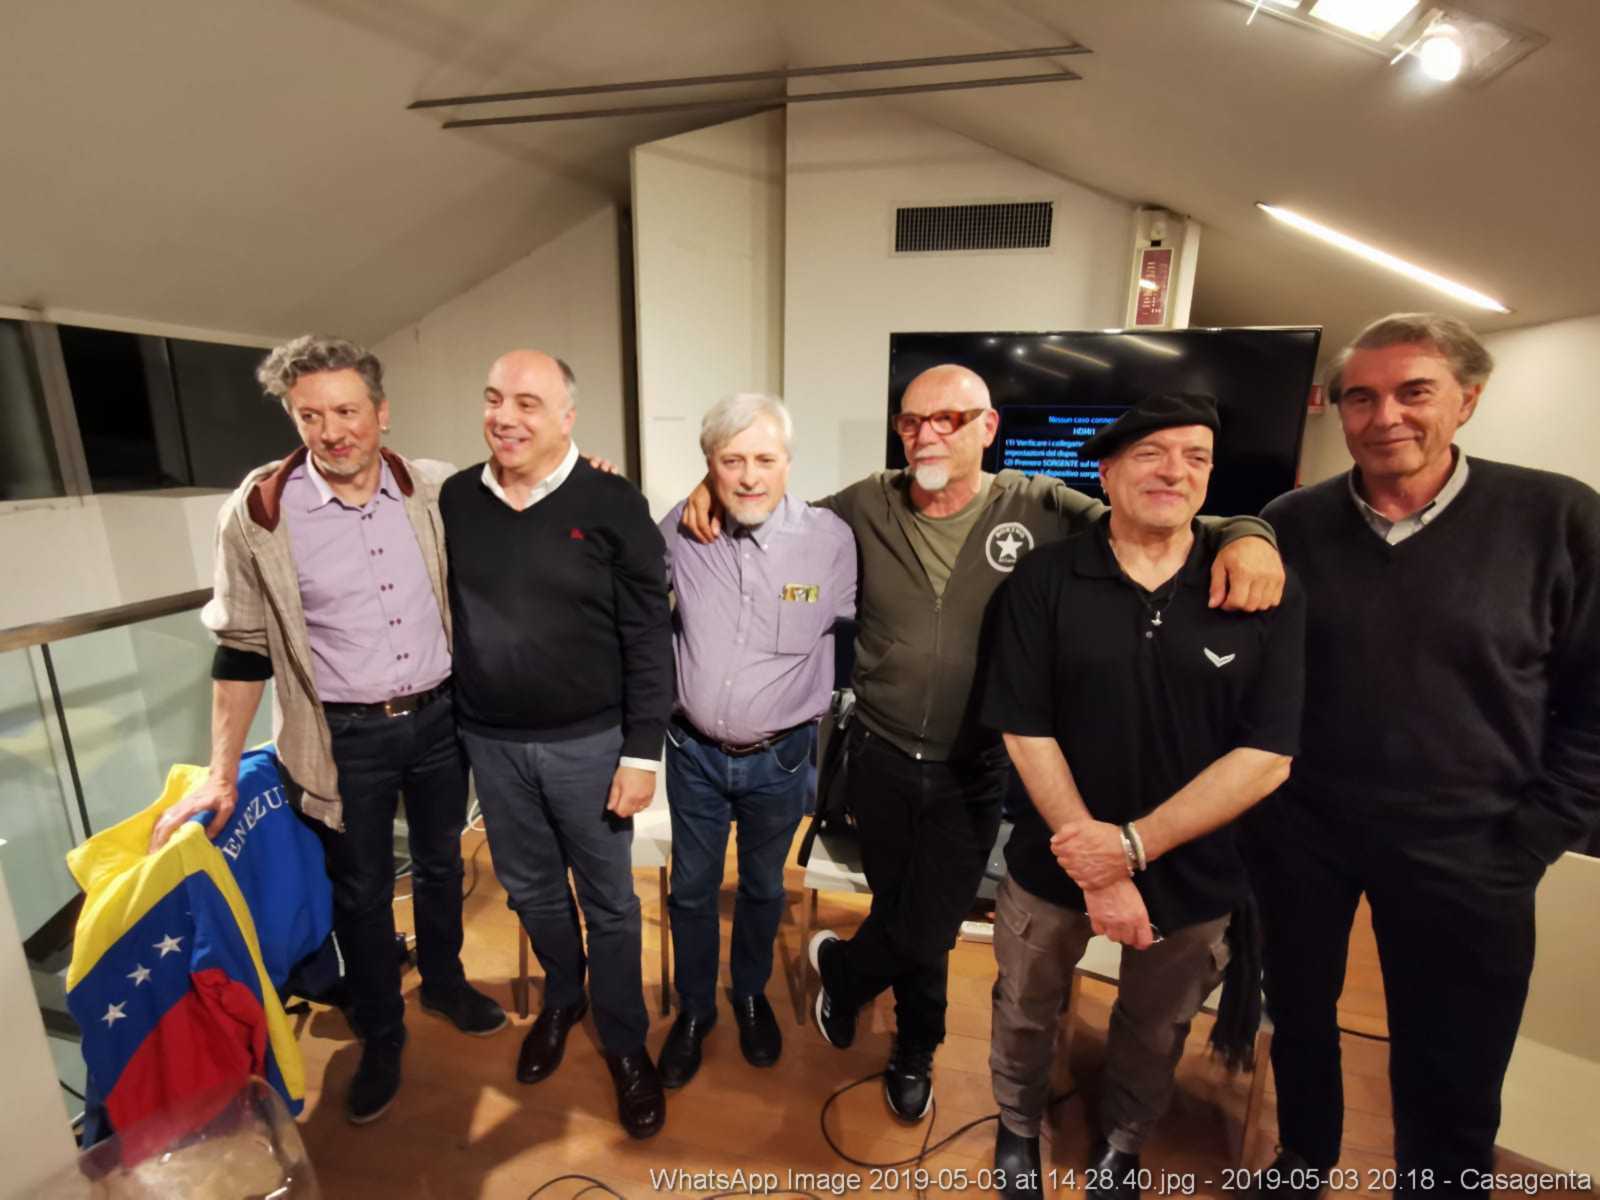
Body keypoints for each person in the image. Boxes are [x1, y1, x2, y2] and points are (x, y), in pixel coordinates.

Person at [683, 363, 1285, 1122]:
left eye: (950, 419)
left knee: (931, 923)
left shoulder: (1039, 504)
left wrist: (1249, 532)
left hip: (975, 767)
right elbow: (779, 515)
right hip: (879, 755)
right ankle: (906, 1038)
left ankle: (864, 990)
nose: (927, 435)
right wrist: (710, 488)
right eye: (912, 422)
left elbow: (1152, 515)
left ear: (989, 427)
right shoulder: (867, 503)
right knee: (904, 908)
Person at [1245, 314, 1600, 1197]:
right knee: (1298, 1018)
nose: (1385, 417)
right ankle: (1303, 1162)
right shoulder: (1292, 523)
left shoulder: (1558, 517)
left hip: (1474, 844)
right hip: (1305, 834)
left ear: (1466, 401)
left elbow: (1595, 697)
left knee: (1458, 1052)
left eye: (1414, 393)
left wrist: (1539, 834)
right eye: (1361, 398)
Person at [149, 334, 505, 1126]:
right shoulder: (258, 514)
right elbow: (241, 649)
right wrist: (219, 771)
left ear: (382, 411)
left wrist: (592, 475)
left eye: (347, 412)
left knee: (442, 863)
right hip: (344, 739)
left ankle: (445, 984)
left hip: (440, 721)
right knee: (364, 891)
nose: (332, 431)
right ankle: (382, 1030)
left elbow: (522, 503)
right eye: (310, 416)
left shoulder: (433, 488)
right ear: (293, 418)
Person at [982, 393, 1304, 1200]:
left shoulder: (1260, 590)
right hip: (1054, 861)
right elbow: (1024, 727)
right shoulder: (1044, 578)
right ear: (1106, 473)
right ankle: (1016, 1124)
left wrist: (1130, 849)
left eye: (1195, 457)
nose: (1174, 472)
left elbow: (1267, 757)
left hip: (1195, 874)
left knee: (1156, 1026)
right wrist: (1097, 865)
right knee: (1025, 1004)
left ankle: (1124, 1143)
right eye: (1151, 454)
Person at [438, 349, 673, 1140]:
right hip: (492, 744)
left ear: (568, 418)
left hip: (591, 745)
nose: (505, 416)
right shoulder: (455, 498)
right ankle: (564, 998)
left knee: (610, 903)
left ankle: (624, 1039)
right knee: (532, 893)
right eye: (494, 398)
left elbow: (648, 633)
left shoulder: (611, 501)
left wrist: (642, 752)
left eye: (528, 403)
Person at [654, 394, 856, 1088]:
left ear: (788, 462)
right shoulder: (680, 531)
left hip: (781, 758)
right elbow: (626, 597)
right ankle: (694, 1010)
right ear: (708, 466)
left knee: (765, 888)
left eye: (764, 459)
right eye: (730, 460)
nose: (748, 476)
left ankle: (747, 994)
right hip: (693, 756)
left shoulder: (830, 540)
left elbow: (860, 627)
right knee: (691, 889)